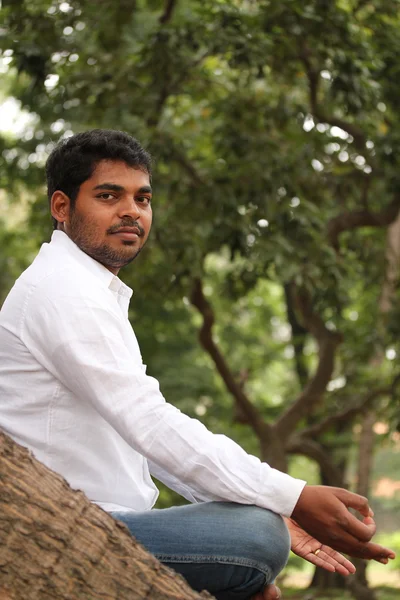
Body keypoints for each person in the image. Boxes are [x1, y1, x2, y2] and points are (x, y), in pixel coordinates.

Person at [0, 129, 394, 600]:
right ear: (61, 207)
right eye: (109, 196)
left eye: (142, 199)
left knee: (259, 531)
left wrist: (267, 502)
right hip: (70, 524)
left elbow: (142, 442)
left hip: (113, 518)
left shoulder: (84, 289)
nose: (131, 211)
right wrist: (293, 496)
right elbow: (149, 423)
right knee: (257, 537)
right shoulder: (62, 290)